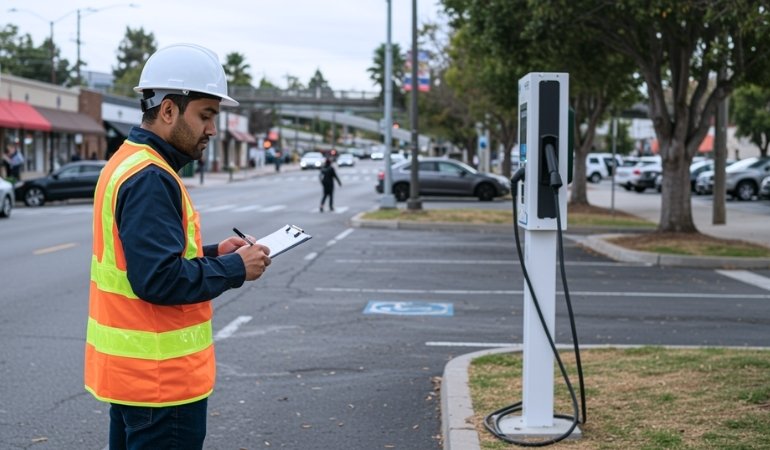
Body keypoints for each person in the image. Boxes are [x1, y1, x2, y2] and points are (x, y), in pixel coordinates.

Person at [84, 43, 272, 450]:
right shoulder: (151, 176)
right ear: (168, 110)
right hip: (162, 386)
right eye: (205, 115)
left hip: (136, 379)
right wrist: (236, 268)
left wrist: (214, 254)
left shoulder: (127, 162)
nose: (212, 129)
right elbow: (159, 279)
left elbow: (145, 258)